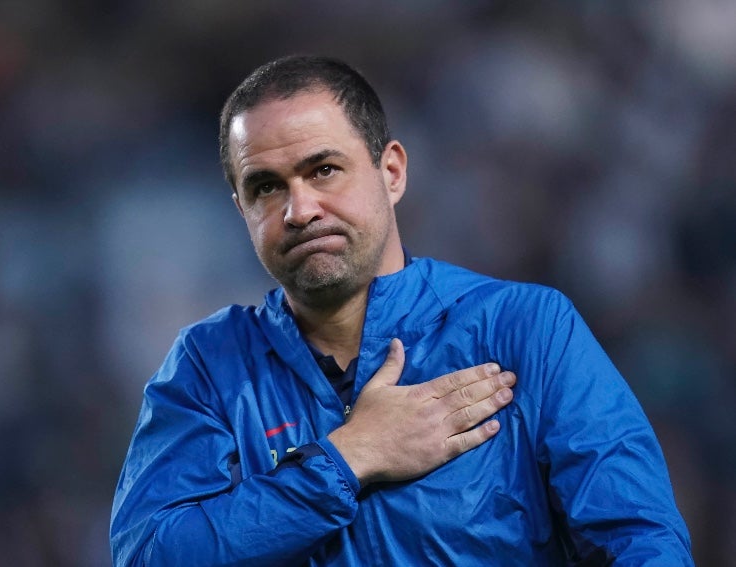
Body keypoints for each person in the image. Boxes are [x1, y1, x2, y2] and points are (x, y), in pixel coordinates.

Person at [110, 55, 693, 566]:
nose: (299, 210)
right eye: (266, 187)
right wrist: (350, 456)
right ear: (242, 208)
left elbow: (642, 540)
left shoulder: (524, 329)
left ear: (391, 172)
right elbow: (147, 554)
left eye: (323, 170)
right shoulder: (208, 367)